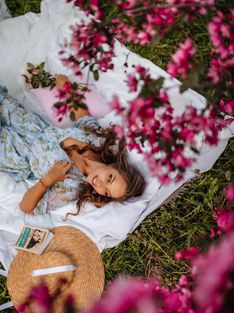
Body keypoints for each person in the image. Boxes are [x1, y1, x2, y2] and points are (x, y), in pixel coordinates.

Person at [0, 85, 145, 216]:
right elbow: (84, 118)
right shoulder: (97, 142)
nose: (100, 184)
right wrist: (65, 86)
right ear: (114, 166)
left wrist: (47, 181)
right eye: (109, 178)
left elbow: (26, 207)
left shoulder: (72, 189)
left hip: (12, 153)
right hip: (26, 122)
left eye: (106, 192)